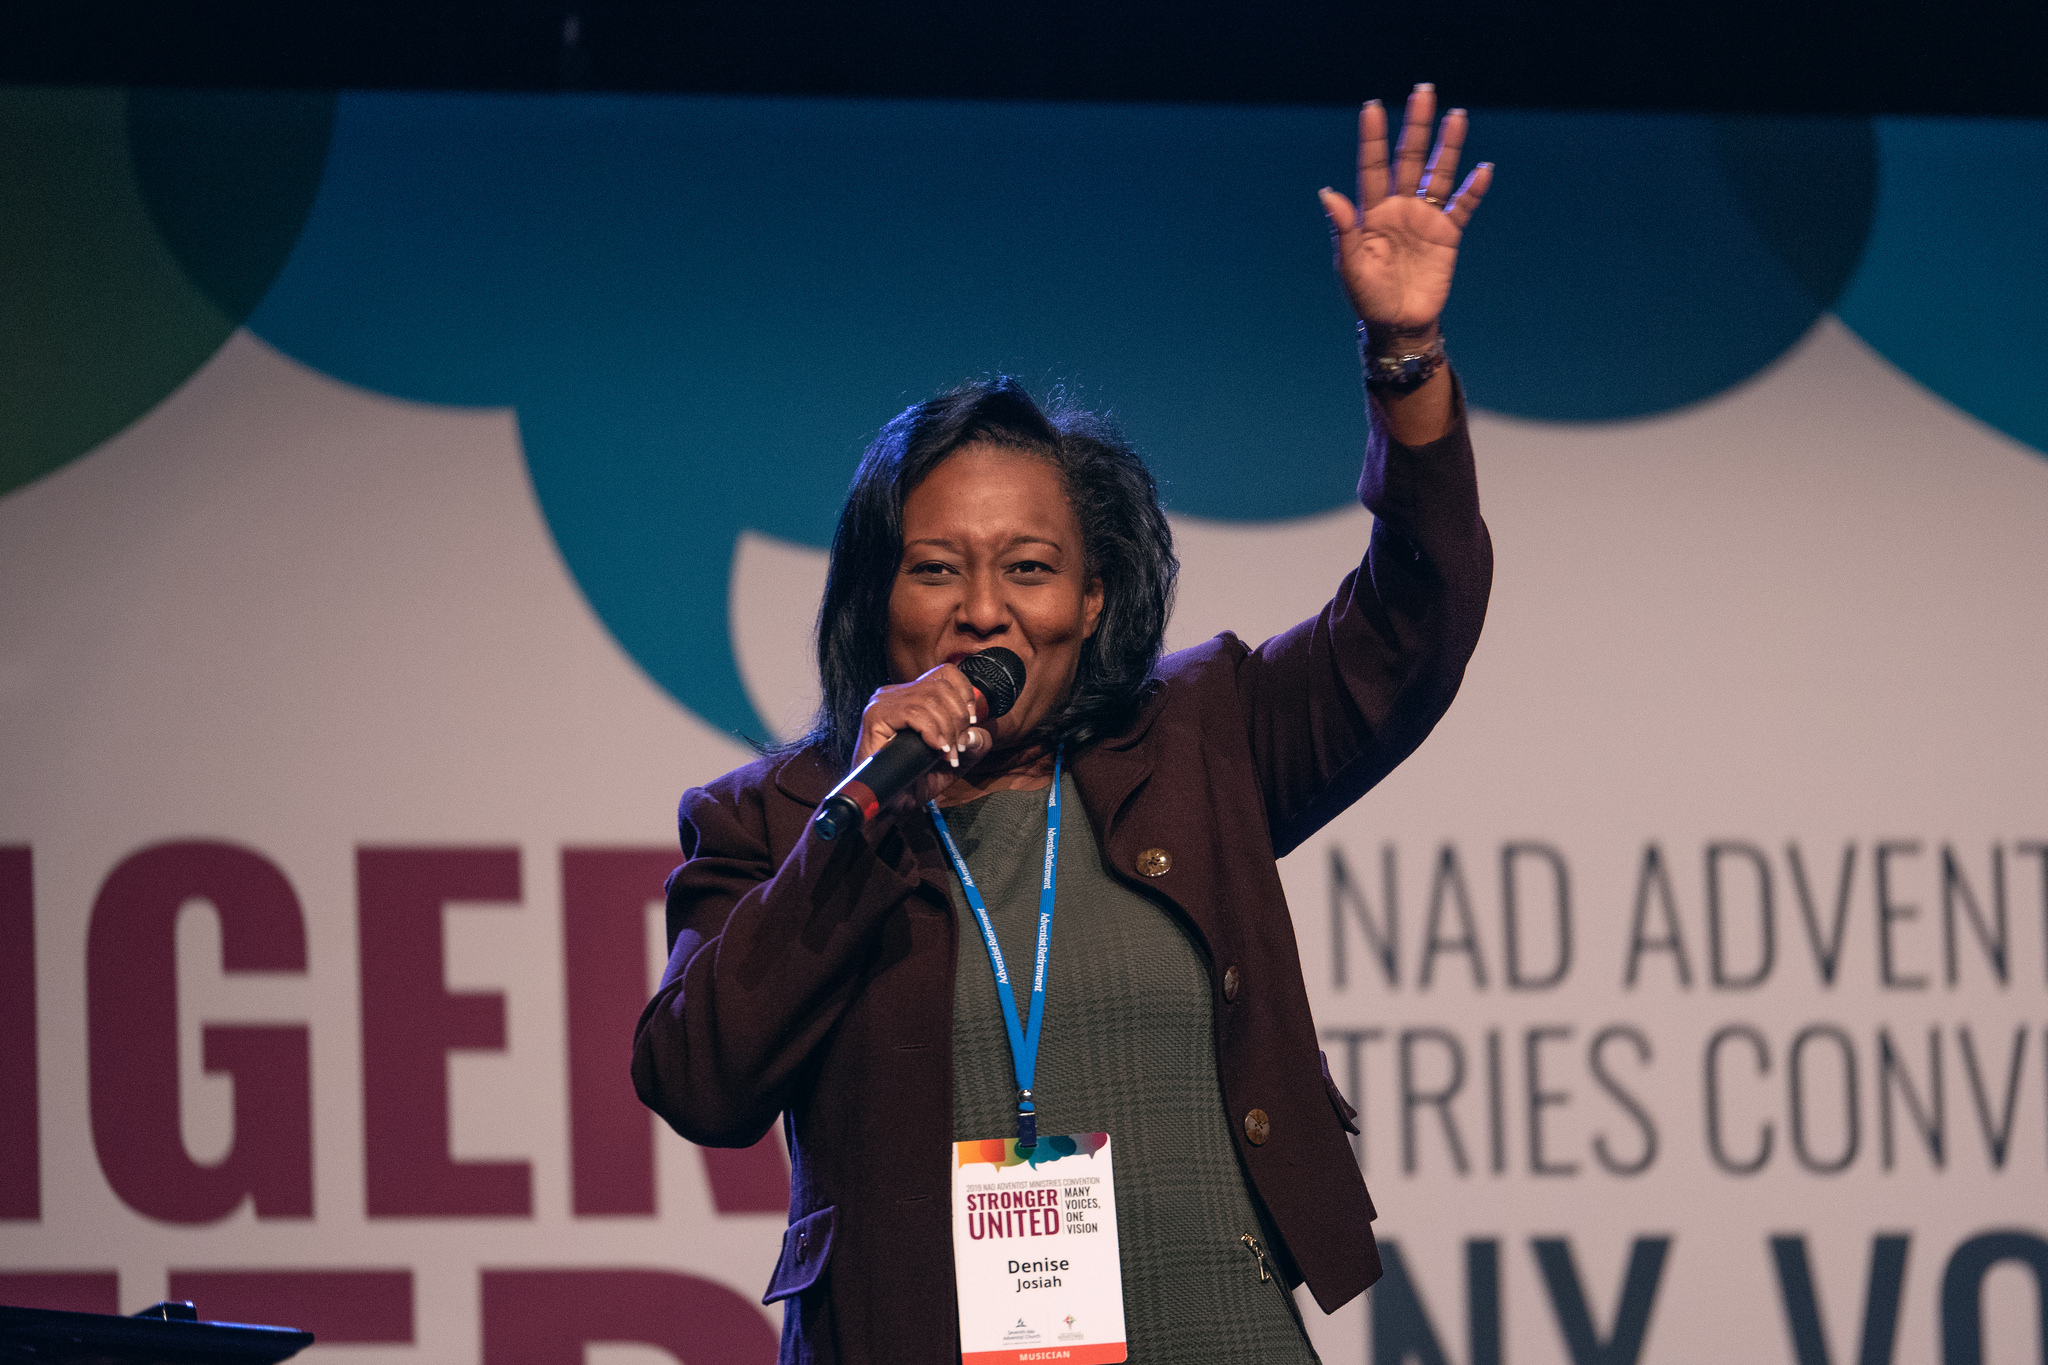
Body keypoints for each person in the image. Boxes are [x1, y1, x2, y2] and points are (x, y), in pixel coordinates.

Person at [634, 85, 1495, 1364]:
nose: (985, 611)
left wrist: (1404, 361)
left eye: (1029, 569)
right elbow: (699, 1081)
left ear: (1093, 603)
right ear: (877, 602)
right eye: (936, 571)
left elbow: (1408, 626)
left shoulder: (1200, 741)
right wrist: (859, 812)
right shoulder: (775, 819)